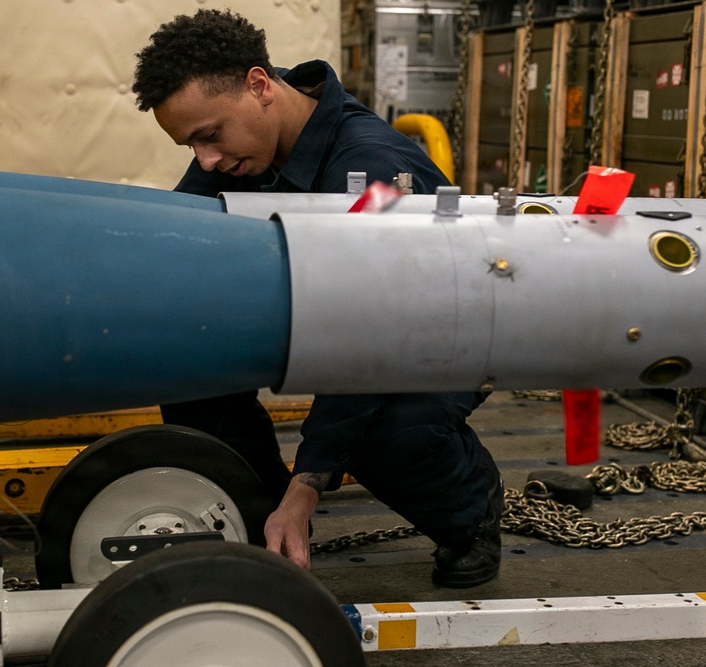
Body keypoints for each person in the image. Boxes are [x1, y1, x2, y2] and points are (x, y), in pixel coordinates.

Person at [132, 8, 503, 588]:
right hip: (328, 316)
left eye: (208, 136)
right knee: (188, 359)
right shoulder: (246, 136)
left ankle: (472, 513)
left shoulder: (375, 171)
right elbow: (189, 233)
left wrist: (309, 482)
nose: (204, 159)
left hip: (432, 335)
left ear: (260, 87)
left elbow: (371, 339)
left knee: (382, 435)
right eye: (191, 144)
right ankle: (260, 517)